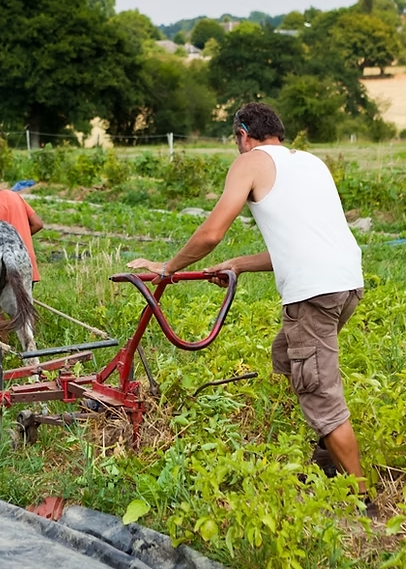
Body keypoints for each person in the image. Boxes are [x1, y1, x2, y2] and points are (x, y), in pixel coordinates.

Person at [126, 103, 375, 517]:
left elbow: (210, 233)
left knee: (321, 394)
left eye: (235, 139)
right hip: (347, 284)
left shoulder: (250, 163)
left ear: (243, 134)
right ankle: (327, 454)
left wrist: (166, 268)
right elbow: (303, 246)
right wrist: (239, 263)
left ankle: (361, 502)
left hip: (312, 294)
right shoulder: (310, 163)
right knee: (288, 356)